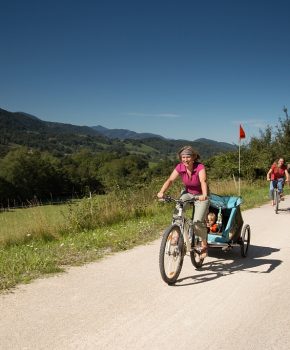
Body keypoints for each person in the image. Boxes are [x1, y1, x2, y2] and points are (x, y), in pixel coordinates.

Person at [157, 145, 209, 257]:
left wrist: (204, 195)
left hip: (201, 195)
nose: (185, 159)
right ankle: (176, 234)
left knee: (197, 221)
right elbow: (170, 180)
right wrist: (161, 192)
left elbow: (203, 181)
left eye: (188, 157)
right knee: (177, 213)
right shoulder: (180, 167)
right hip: (188, 193)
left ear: (193, 157)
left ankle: (204, 245)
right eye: (183, 157)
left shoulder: (200, 167)